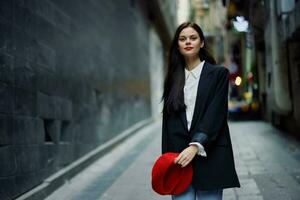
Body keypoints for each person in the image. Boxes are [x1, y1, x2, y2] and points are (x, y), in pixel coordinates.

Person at [161, 22, 240, 200]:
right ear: (178, 45)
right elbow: (168, 124)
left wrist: (196, 145)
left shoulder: (218, 74)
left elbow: (216, 113)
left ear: (202, 43)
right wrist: (167, 160)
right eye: (182, 39)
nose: (188, 42)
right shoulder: (173, 79)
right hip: (179, 159)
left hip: (210, 154)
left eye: (193, 38)